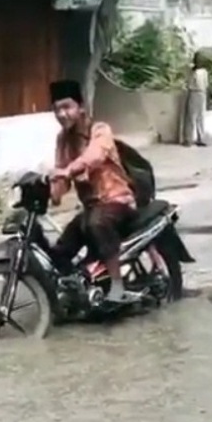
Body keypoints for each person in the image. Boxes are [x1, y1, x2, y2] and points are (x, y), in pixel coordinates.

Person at [48, 79, 141, 304]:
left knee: (95, 224)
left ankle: (118, 287)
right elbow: (61, 174)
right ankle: (76, 289)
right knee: (61, 249)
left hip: (117, 200)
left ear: (81, 108)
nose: (62, 114)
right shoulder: (63, 139)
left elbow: (94, 156)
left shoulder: (99, 130)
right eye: (57, 109)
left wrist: (68, 170)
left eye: (67, 107)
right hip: (92, 207)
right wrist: (52, 191)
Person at [183, 54, 209, 147]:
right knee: (192, 116)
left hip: (200, 93)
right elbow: (189, 84)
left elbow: (205, 84)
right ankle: (189, 139)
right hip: (195, 92)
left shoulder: (202, 72)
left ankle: (199, 138)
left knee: (199, 116)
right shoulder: (193, 71)